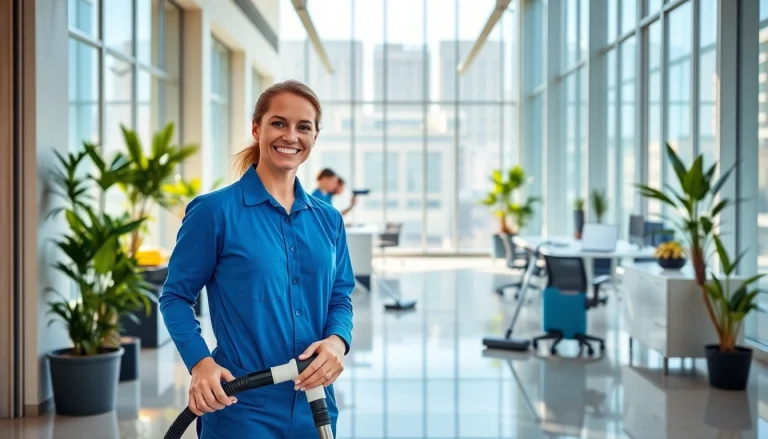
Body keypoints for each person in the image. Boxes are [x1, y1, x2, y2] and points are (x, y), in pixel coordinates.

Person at [158, 80, 355, 439]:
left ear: (314, 137)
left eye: (303, 127)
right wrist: (200, 363)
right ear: (256, 128)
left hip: (317, 407)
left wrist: (337, 341)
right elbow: (175, 297)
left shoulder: (329, 220)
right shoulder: (214, 212)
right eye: (278, 123)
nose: (290, 136)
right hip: (240, 407)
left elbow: (340, 297)